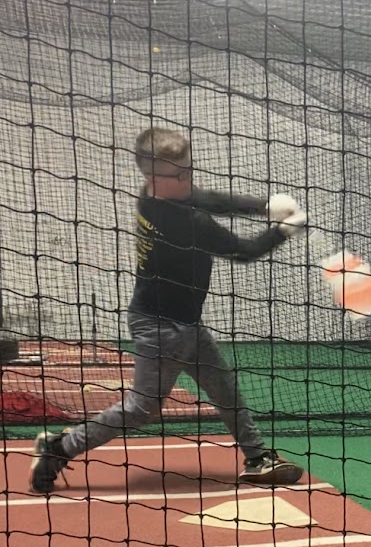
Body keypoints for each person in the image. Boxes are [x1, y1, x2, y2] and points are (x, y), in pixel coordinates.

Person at [30, 127, 307, 494]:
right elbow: (243, 251)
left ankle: (257, 458)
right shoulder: (184, 223)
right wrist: (281, 232)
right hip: (161, 327)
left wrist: (262, 206)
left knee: (223, 387)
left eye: (189, 169)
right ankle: (59, 448)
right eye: (178, 174)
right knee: (141, 408)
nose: (187, 179)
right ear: (152, 176)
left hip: (182, 322)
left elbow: (205, 198)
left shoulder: (151, 197)